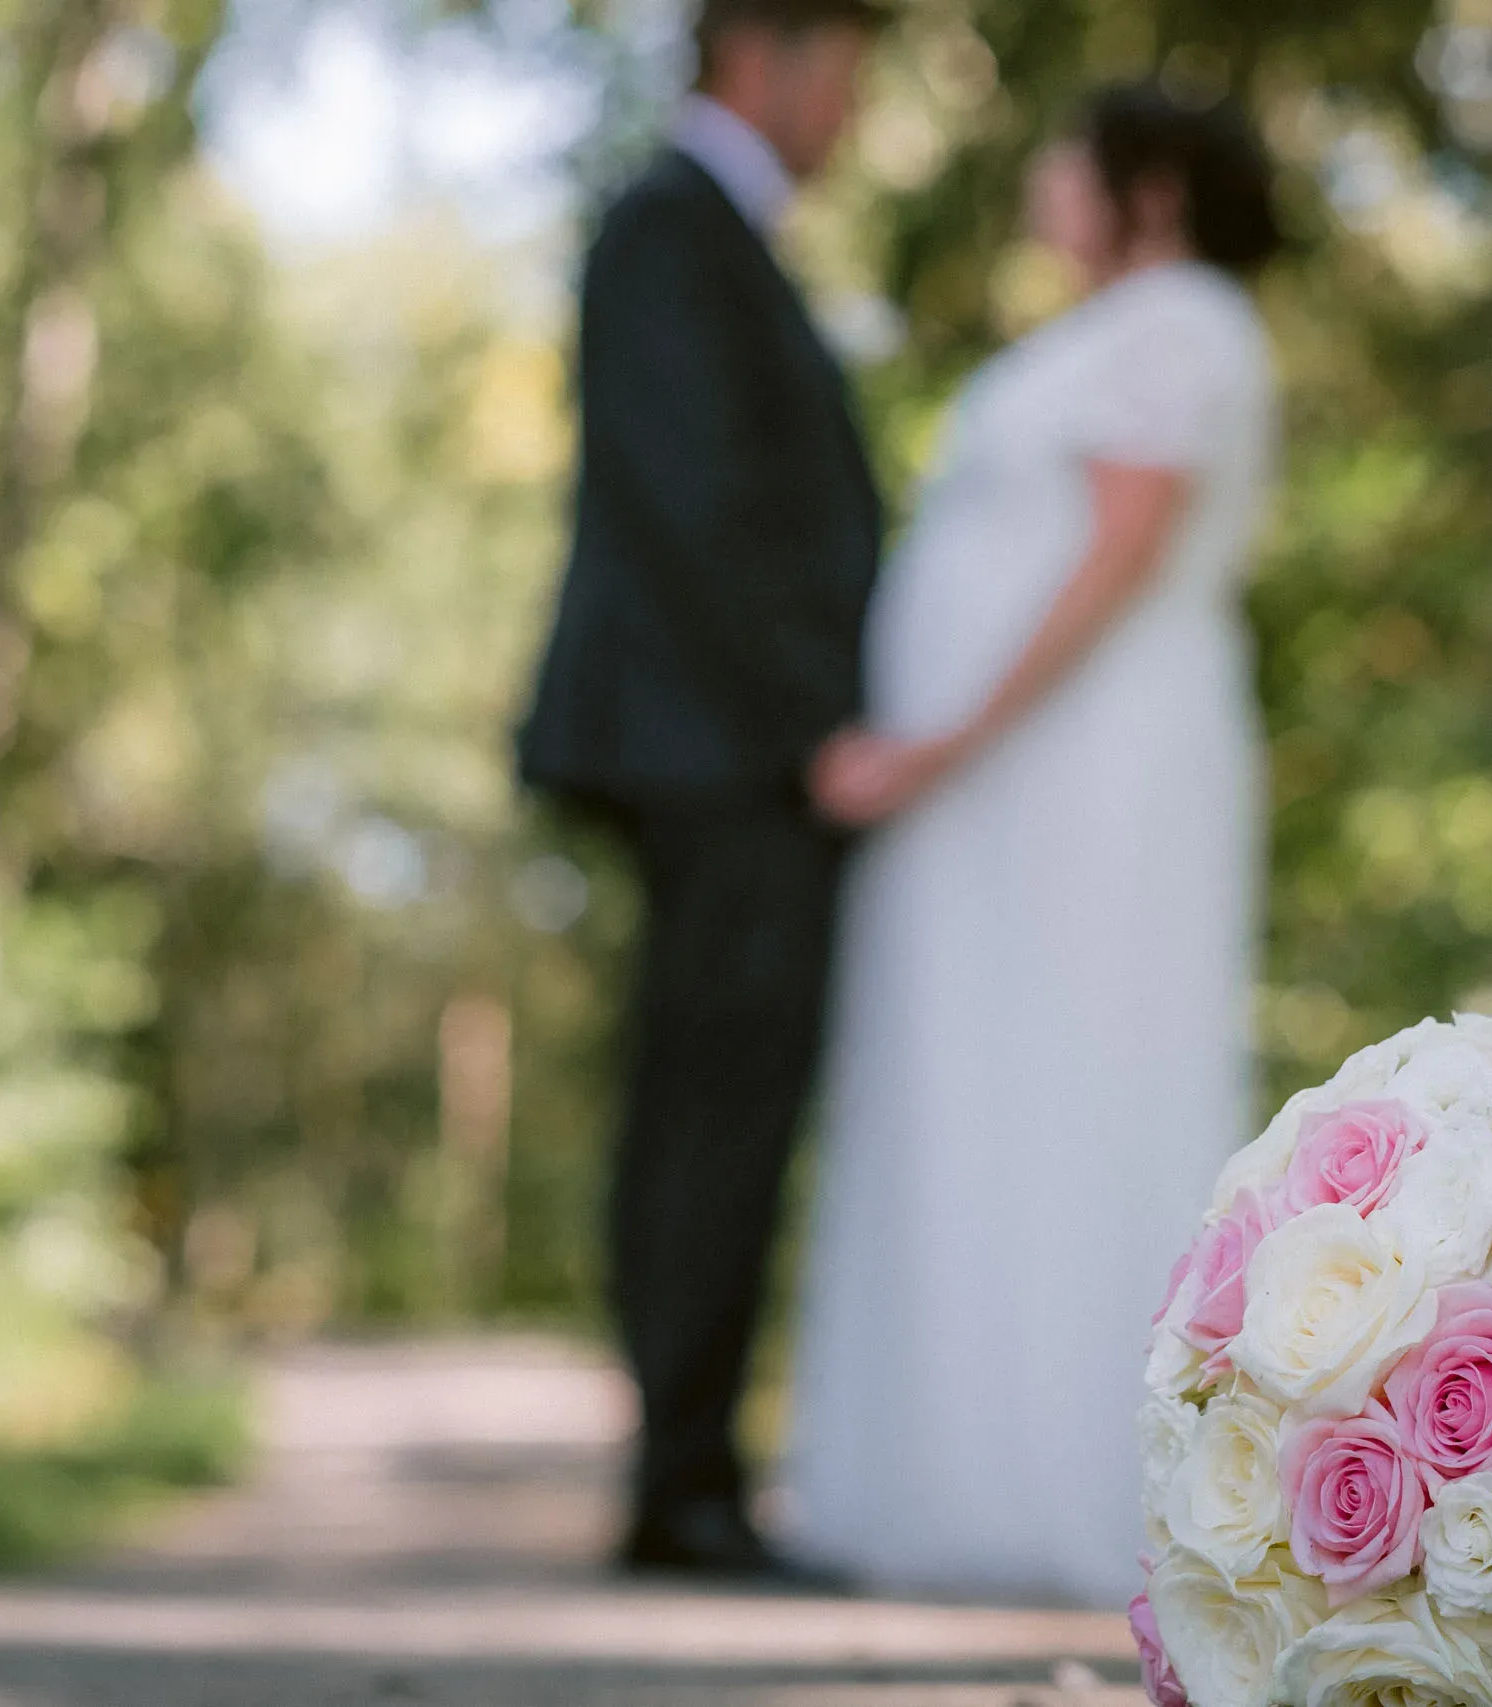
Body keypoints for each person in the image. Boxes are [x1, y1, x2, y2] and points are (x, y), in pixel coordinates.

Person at [784, 83, 1284, 1606]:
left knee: (1078, 1077)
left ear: (1155, 188)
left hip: (1085, 769)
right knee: (981, 1085)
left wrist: (948, 738)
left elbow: (1119, 553)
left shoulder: (1183, 325)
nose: (1046, 186)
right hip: (1013, 783)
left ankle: (1075, 1479)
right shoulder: (1120, 329)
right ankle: (955, 1470)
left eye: (1075, 164)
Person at [515, 0, 884, 1578]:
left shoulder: (712, 232)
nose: (851, 112)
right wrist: (816, 728)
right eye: (846, 74)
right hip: (719, 748)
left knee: (712, 1097)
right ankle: (682, 1480)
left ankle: (686, 1463)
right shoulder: (670, 227)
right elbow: (699, 507)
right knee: (716, 1105)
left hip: (723, 743)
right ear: (762, 50)